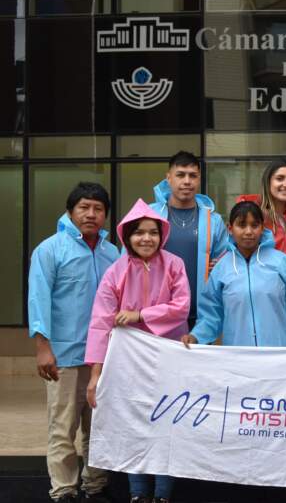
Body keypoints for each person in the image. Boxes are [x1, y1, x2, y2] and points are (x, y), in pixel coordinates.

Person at [85, 199, 190, 503]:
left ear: (163, 235)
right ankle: (138, 493)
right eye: (139, 232)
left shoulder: (174, 265)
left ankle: (162, 494)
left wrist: (140, 315)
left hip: (168, 361)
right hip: (127, 365)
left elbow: (181, 307)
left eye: (153, 232)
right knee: (134, 425)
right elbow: (100, 324)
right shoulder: (115, 273)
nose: (146, 238)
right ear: (127, 236)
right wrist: (95, 374)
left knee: (167, 425)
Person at [28, 182, 120, 503]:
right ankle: (64, 489)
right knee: (62, 426)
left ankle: (95, 484)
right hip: (64, 355)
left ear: (106, 215)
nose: (91, 214)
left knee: (98, 427)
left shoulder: (113, 252)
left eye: (98, 209)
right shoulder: (49, 250)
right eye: (84, 207)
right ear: (71, 211)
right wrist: (43, 348)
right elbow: (38, 300)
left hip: (102, 359)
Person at [182, 201, 286, 349]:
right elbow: (210, 315)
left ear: (262, 228)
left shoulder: (281, 262)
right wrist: (196, 336)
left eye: (254, 225)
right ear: (230, 228)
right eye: (241, 225)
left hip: (281, 353)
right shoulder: (221, 269)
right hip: (238, 357)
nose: (248, 231)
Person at [149, 151, 227, 328]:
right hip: (156, 314)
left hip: (201, 318)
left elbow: (226, 262)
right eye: (180, 175)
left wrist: (220, 264)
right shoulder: (149, 214)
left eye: (193, 176)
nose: (186, 181)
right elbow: (128, 262)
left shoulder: (213, 221)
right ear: (168, 178)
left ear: (199, 179)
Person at [235, 158, 286, 285]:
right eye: (280, 178)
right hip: (265, 292)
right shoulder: (254, 217)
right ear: (268, 182)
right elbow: (234, 250)